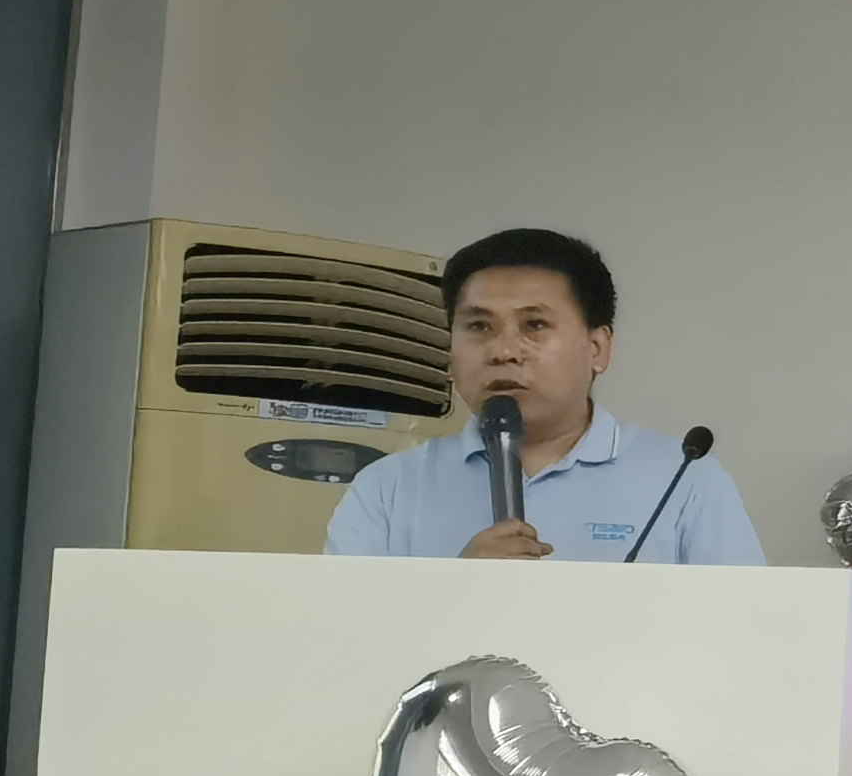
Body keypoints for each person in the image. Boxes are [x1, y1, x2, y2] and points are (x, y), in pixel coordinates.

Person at [323, 227, 763, 564]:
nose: (503, 351)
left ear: (597, 348)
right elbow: (342, 640)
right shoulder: (388, 488)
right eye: (478, 326)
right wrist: (454, 589)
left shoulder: (684, 481)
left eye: (534, 325)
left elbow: (744, 632)